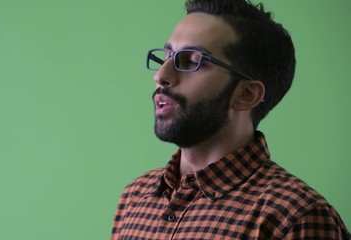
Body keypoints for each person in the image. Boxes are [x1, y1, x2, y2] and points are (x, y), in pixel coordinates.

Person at [111, 0, 351, 239]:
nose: (160, 75)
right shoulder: (135, 197)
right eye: (168, 55)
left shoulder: (296, 217)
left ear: (246, 94)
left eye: (192, 61)